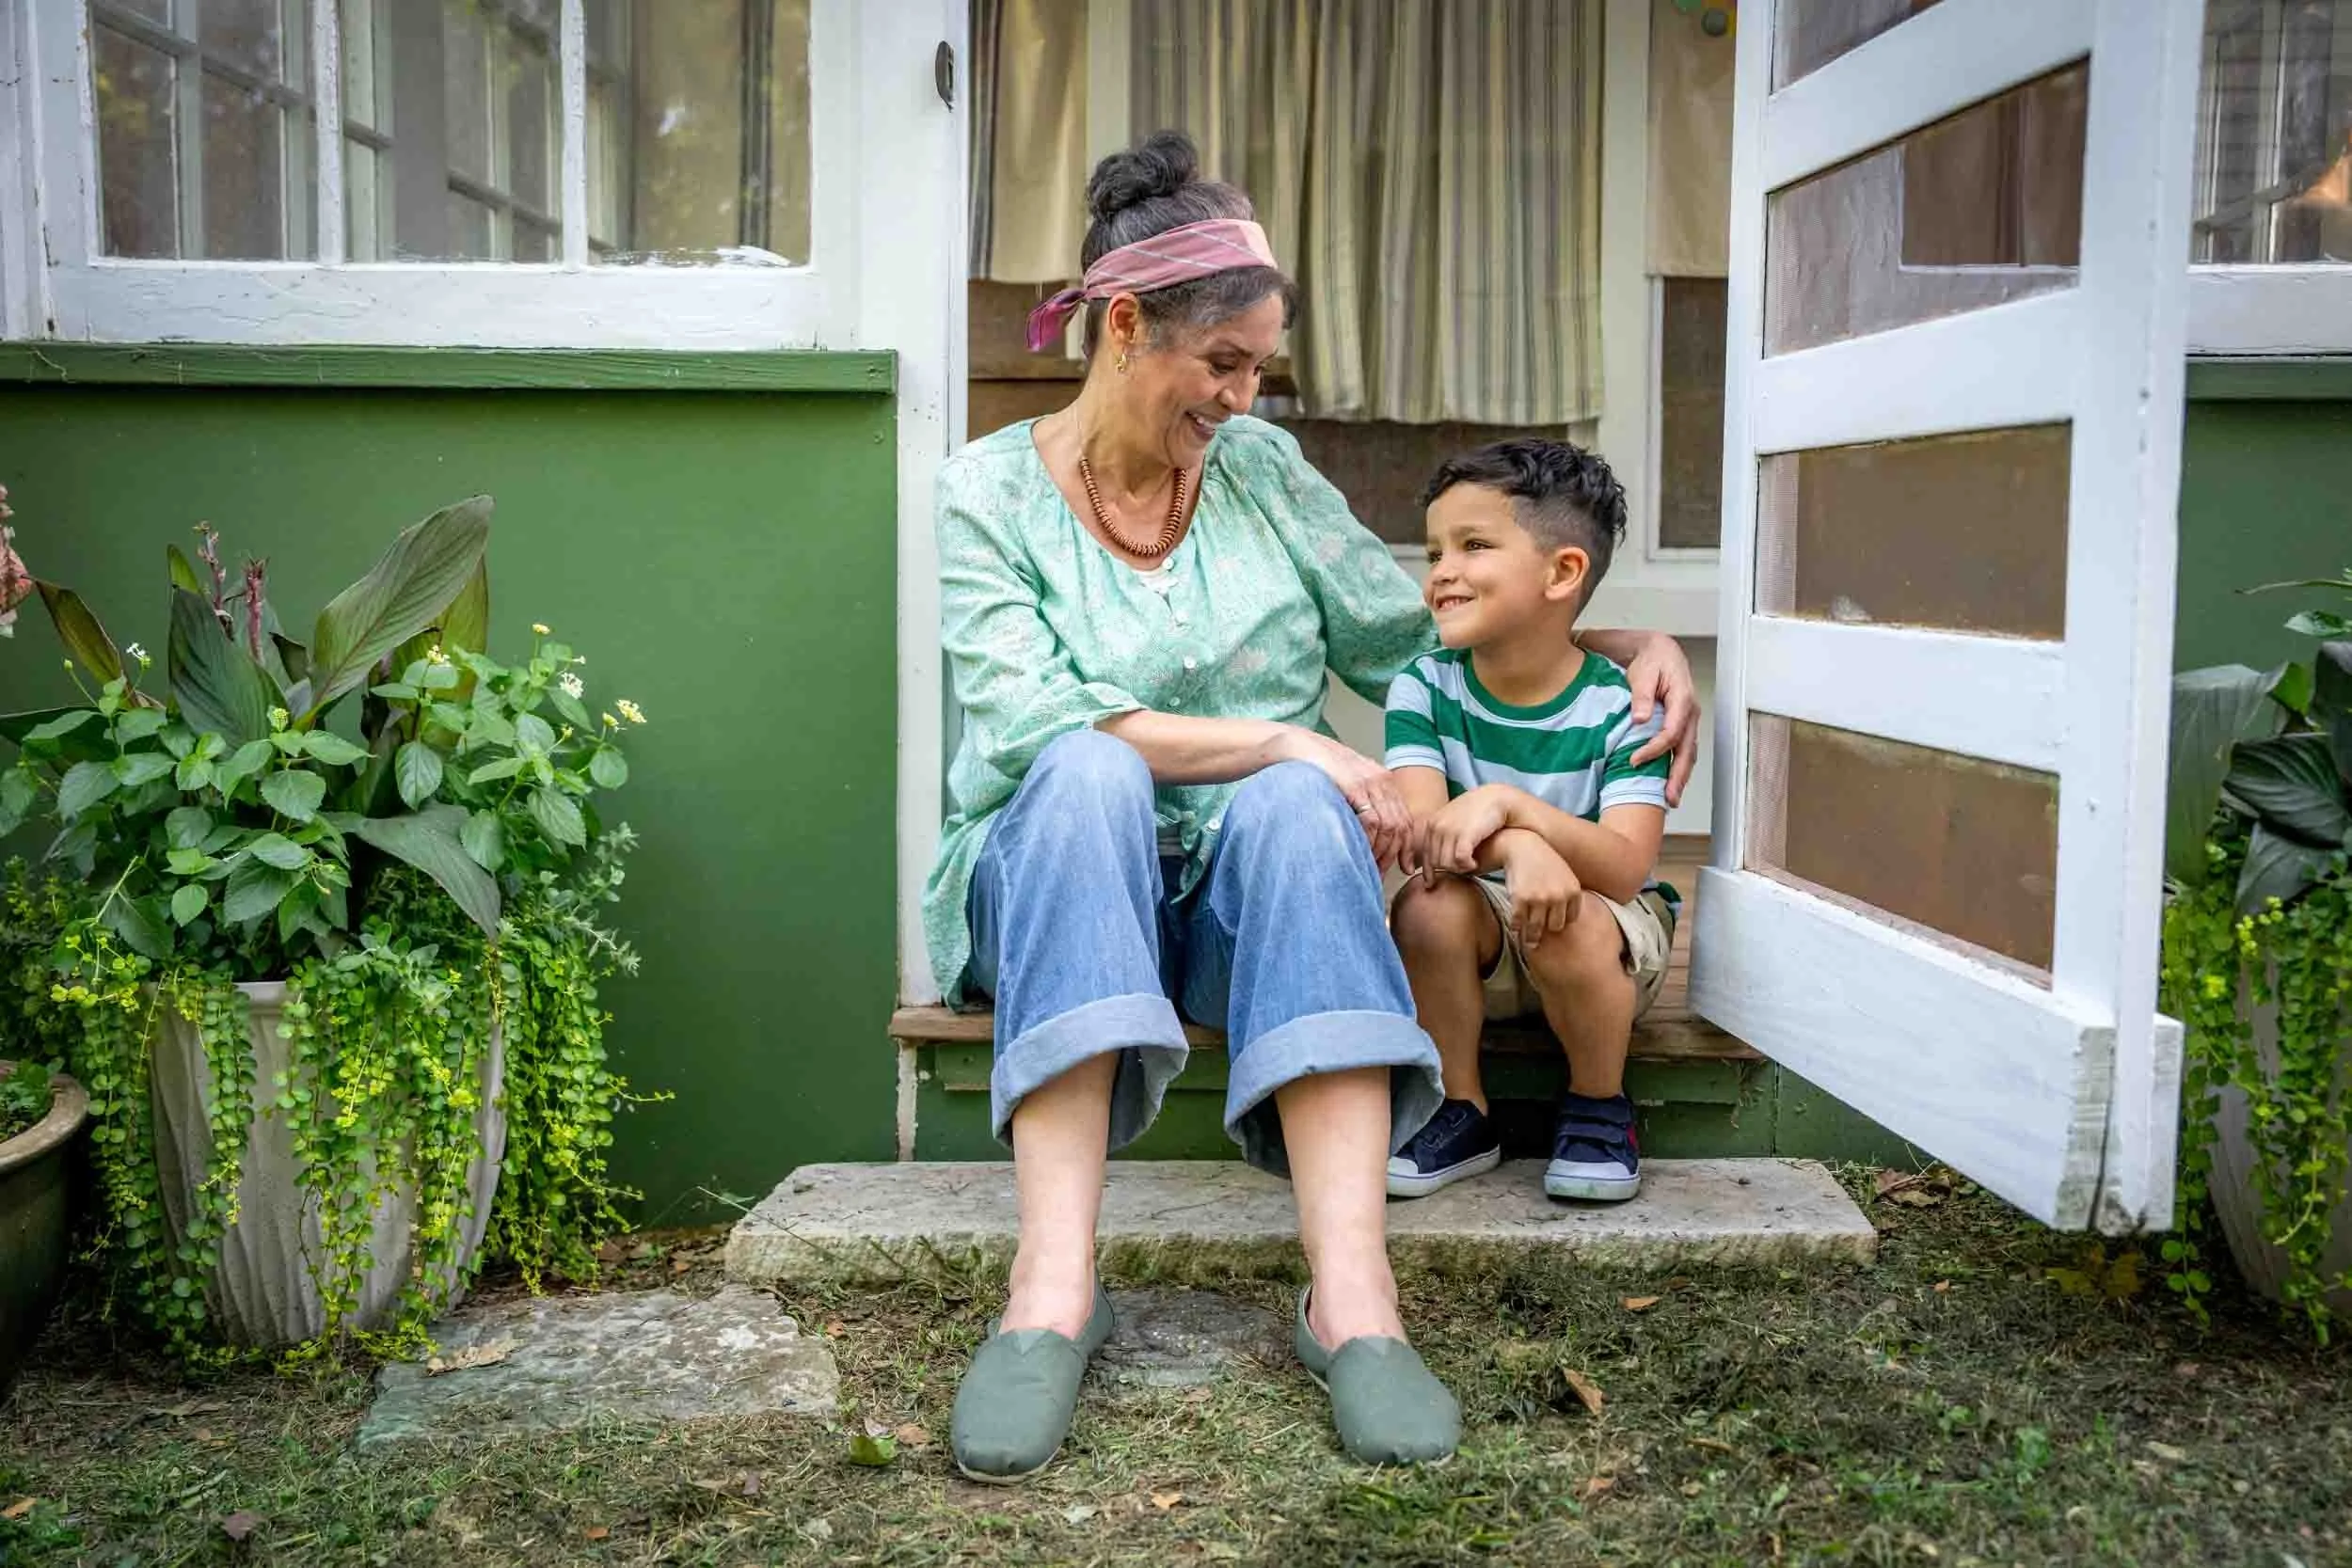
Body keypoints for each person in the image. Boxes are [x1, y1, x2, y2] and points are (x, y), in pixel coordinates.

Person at [929, 132, 1700, 1482]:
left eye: (1257, 368)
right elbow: (1030, 716)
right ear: (1124, 326)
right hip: (1053, 889)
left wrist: (1622, 641)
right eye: (1221, 361)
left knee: (1297, 805)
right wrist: (1287, 732)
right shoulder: (985, 493)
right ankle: (1050, 1292)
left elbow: (1423, 635)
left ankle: (1354, 1305)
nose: (1241, 394)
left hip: (1246, 908)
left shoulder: (1265, 477)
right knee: (1091, 767)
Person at [1383, 441, 1678, 1205]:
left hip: (1598, 939)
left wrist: (1518, 809)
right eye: (1435, 549)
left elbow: (1621, 868)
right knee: (1425, 901)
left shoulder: (1624, 708)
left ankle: (1597, 1104)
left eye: (1474, 545)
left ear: (1563, 572)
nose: (1442, 569)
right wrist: (1516, 844)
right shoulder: (1423, 687)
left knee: (1573, 917)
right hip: (1476, 919)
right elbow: (1424, 836)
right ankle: (1460, 1105)